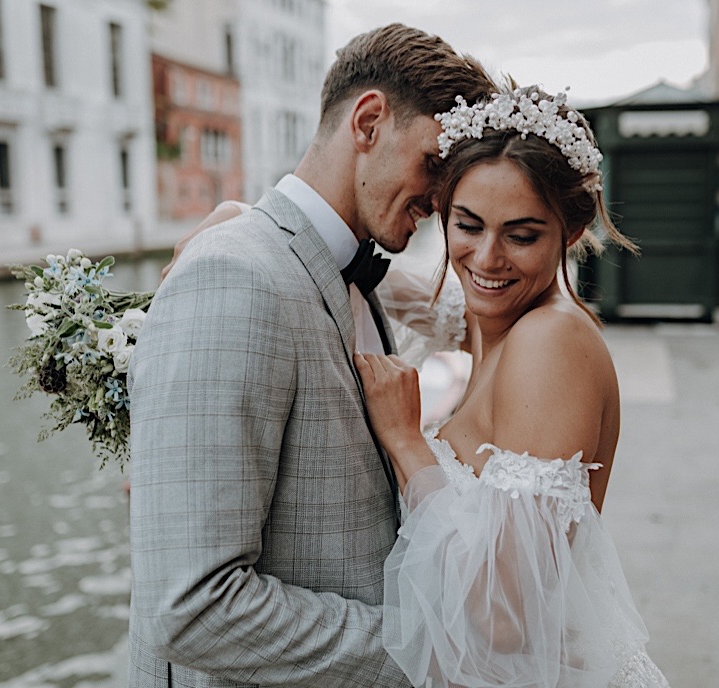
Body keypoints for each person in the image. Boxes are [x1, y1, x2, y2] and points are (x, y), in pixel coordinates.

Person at [188, 87, 671, 686]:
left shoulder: (550, 343)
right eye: (467, 225)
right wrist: (248, 222)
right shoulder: (496, 316)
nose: (487, 259)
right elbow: (383, 282)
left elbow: (505, 617)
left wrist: (406, 440)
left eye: (521, 236)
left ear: (571, 232)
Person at [126, 24, 493, 686]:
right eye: (436, 165)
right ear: (369, 121)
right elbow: (189, 608)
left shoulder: (347, 274)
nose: (442, 203)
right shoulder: (232, 274)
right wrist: (427, 649)